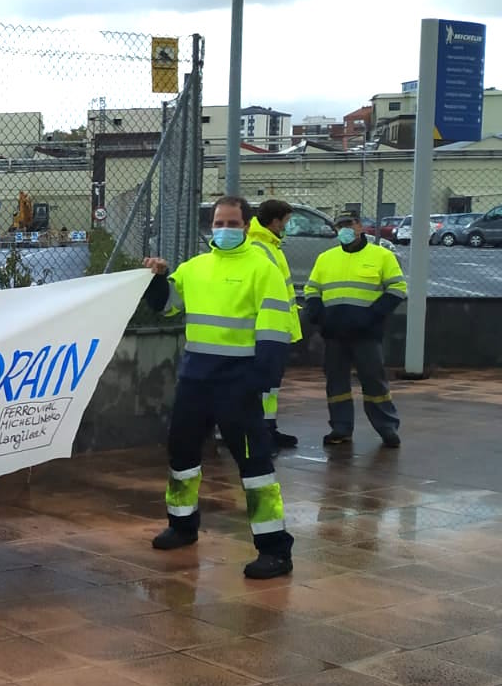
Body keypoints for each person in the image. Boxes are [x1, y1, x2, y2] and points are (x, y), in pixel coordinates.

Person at [141, 194, 297, 579]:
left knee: (254, 465)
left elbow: (274, 330)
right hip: (195, 379)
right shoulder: (194, 268)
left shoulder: (262, 269)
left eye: (232, 223)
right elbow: (167, 305)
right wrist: (157, 278)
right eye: (218, 223)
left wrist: (260, 380)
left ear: (247, 226)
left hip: (238, 382)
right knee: (182, 455)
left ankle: (275, 548)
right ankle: (182, 525)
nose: (224, 229)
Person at [303, 212, 406, 448]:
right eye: (339, 226)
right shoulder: (325, 258)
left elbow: (397, 288)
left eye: (348, 224)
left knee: (374, 381)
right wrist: (318, 315)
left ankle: (387, 427)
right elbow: (312, 289)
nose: (343, 229)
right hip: (334, 333)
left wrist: (372, 315)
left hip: (366, 333)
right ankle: (340, 428)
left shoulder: (382, 256)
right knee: (336, 383)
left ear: (360, 226)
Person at [245, 198, 304, 449]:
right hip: (267, 329)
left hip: (276, 327)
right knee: (262, 384)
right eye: (286, 221)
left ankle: (268, 429)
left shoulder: (270, 245)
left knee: (270, 386)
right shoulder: (259, 247)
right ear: (274, 221)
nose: (286, 227)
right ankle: (259, 433)